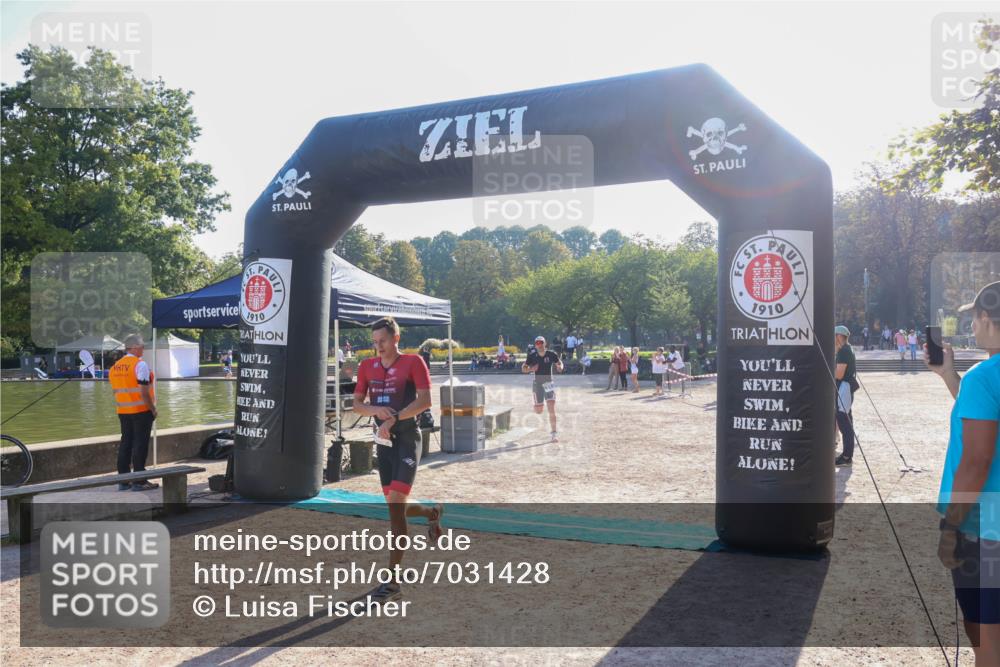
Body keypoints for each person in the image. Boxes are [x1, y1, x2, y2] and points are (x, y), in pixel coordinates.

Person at [930, 281, 1000, 661]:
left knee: (988, 647)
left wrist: (951, 526)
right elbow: (986, 417)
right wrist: (948, 376)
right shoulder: (979, 381)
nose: (972, 327)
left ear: (986, 318)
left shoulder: (983, 377)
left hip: (986, 531)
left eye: (973, 319)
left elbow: (976, 462)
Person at [353, 316, 441, 604]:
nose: (378, 346)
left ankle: (392, 581)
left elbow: (425, 400)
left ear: (396, 339)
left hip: (406, 439)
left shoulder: (413, 362)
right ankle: (431, 512)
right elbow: (357, 405)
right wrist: (375, 411)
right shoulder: (366, 366)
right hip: (384, 443)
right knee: (396, 506)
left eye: (383, 341)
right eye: (375, 342)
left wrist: (394, 418)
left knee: (394, 508)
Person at [109, 334, 159, 491]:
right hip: (141, 411)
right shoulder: (140, 365)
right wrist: (153, 409)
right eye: (142, 346)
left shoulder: (115, 367)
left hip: (123, 410)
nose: (143, 349)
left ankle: (123, 481)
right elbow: (144, 392)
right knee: (140, 445)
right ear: (135, 347)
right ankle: (139, 481)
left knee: (126, 443)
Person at [522, 335, 563, 441]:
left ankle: (554, 433)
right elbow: (523, 368)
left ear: (545, 343)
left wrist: (560, 367)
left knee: (551, 408)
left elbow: (559, 363)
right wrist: (531, 369)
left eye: (541, 342)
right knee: (539, 411)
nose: (539, 345)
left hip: (548, 383)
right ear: (535, 345)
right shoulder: (532, 356)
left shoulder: (551, 354)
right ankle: (538, 404)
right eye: (537, 343)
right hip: (537, 384)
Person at [833, 325, 859, 466]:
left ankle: (847, 457)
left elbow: (839, 374)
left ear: (838, 336)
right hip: (846, 388)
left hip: (844, 388)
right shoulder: (847, 349)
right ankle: (847, 455)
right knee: (846, 421)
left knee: (845, 423)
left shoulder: (844, 351)